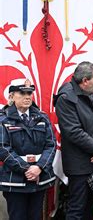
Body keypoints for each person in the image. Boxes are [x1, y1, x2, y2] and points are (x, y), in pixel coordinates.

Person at [54, 61, 93, 220]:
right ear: (85, 81)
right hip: (79, 166)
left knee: (90, 209)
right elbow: (74, 132)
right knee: (77, 209)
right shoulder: (66, 98)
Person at [0, 79, 56, 220]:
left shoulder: (41, 117)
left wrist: (39, 167)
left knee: (36, 216)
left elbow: (51, 145)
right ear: (11, 96)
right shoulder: (3, 119)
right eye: (22, 93)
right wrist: (27, 169)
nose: (27, 96)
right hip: (15, 179)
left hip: (40, 177)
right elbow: (3, 148)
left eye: (30, 93)